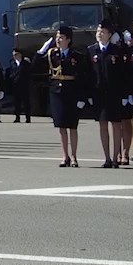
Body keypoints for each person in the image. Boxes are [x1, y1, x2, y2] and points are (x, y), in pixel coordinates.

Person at [43, 25, 89, 167]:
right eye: (57, 37)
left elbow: (83, 77)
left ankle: (74, 156)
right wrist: (41, 52)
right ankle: (65, 156)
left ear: (68, 40)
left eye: (61, 37)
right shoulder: (52, 54)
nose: (58, 39)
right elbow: (35, 67)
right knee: (61, 126)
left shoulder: (77, 56)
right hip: (56, 92)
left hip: (72, 92)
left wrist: (82, 97)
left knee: (72, 126)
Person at [89, 23, 130, 168]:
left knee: (116, 125)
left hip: (115, 93)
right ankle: (106, 157)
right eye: (98, 31)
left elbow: (124, 74)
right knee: (102, 124)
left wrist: (125, 94)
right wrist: (89, 94)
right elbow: (89, 75)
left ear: (109, 35)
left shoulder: (117, 51)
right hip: (99, 94)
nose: (100, 34)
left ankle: (115, 157)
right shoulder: (91, 50)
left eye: (103, 31)